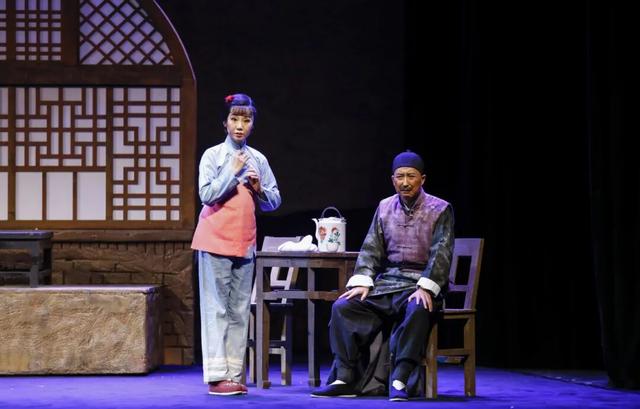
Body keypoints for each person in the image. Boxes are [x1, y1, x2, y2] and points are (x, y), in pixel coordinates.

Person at [311, 150, 454, 401]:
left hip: (420, 283)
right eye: (400, 176)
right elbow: (371, 248)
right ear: (393, 180)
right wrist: (363, 280)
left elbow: (441, 253)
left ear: (422, 179)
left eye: (411, 176)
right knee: (344, 307)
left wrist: (426, 287)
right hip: (388, 283)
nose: (405, 182)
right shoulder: (385, 207)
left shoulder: (440, 209)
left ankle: (400, 377)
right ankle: (344, 376)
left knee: (418, 307)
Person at [191, 93, 281, 396]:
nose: (240, 125)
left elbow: (274, 201)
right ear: (225, 122)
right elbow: (206, 195)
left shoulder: (259, 159)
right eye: (234, 119)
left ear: (253, 124)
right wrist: (231, 172)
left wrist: (259, 188)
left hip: (244, 242)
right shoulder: (213, 155)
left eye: (246, 119)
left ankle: (232, 373)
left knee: (239, 310)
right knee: (216, 309)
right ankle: (216, 376)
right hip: (214, 239)